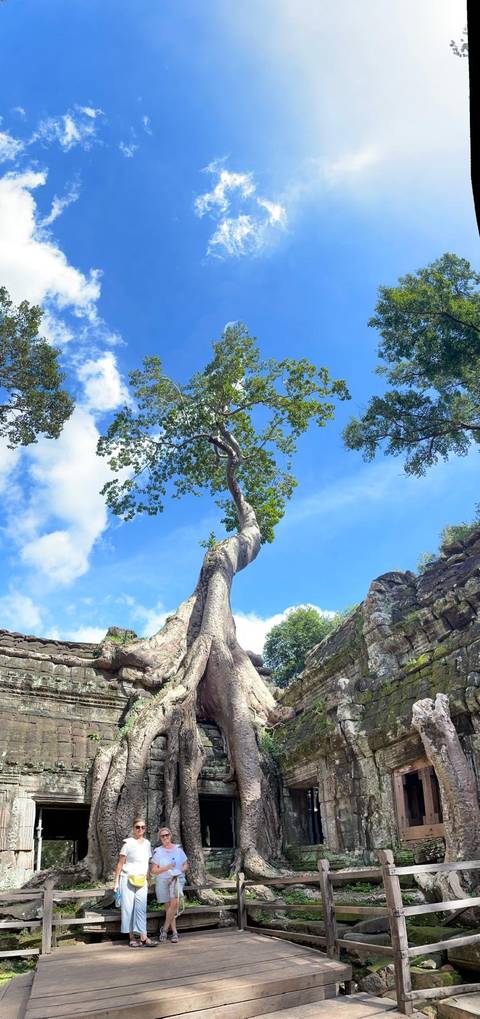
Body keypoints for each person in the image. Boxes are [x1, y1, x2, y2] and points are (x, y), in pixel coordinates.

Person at [113, 818, 157, 948]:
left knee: (141, 908)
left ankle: (144, 936)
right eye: (138, 827)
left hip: (141, 879)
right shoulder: (127, 844)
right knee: (128, 908)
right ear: (133, 828)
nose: (140, 830)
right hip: (127, 878)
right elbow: (120, 864)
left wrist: (149, 878)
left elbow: (146, 862)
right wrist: (116, 882)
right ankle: (131, 937)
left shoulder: (147, 844)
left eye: (143, 827)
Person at [150, 826, 188, 944]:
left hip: (176, 879)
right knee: (169, 908)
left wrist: (179, 871)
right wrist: (166, 868)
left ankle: (165, 929)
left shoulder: (178, 849)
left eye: (167, 835)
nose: (165, 837)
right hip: (163, 880)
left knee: (174, 904)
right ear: (160, 838)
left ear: (170, 836)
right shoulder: (158, 852)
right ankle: (174, 932)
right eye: (163, 836)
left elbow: (185, 864)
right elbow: (153, 871)